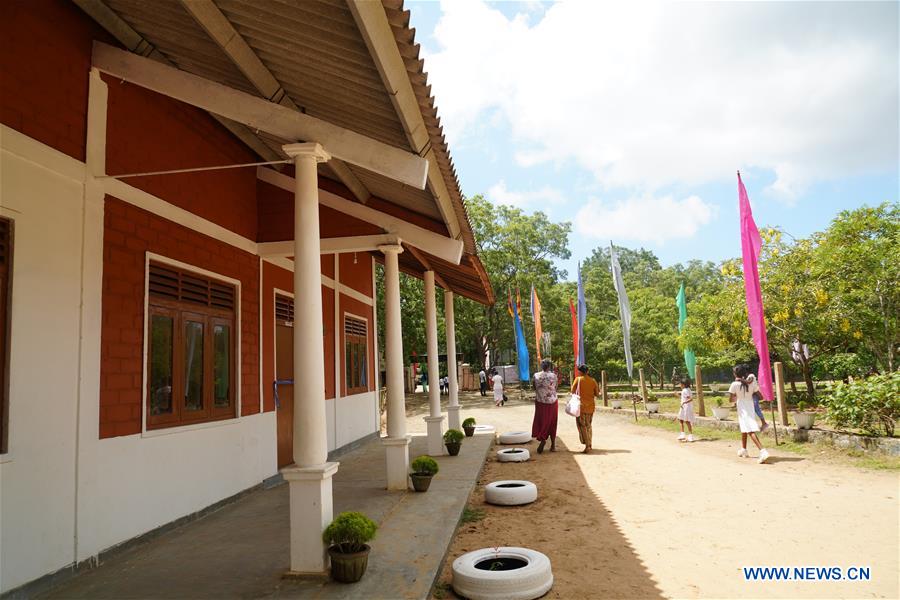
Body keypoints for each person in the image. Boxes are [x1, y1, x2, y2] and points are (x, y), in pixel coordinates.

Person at [730, 364, 769, 464]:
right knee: (745, 427)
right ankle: (744, 449)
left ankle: (763, 451)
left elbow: (731, 399)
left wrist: (736, 395)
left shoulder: (734, 384)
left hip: (742, 408)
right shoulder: (751, 383)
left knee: (750, 430)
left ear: (735, 374)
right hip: (750, 406)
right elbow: (760, 396)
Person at [531, 359, 559, 453]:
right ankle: (553, 445)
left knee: (541, 421)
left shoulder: (536, 375)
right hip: (553, 402)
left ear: (541, 366)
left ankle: (542, 439)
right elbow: (556, 387)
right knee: (552, 422)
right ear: (549, 367)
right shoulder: (554, 376)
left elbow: (534, 387)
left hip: (540, 402)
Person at [571, 364, 599, 453]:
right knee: (589, 425)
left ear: (580, 371)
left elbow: (572, 391)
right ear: (587, 371)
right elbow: (597, 394)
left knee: (582, 426)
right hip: (590, 407)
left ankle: (587, 445)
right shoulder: (593, 381)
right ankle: (590, 444)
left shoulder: (578, 379)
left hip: (581, 407)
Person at [677, 377, 695, 443]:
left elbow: (690, 399)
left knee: (687, 421)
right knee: (681, 419)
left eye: (680, 384)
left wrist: (684, 403)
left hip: (686, 408)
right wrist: (678, 396)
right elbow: (684, 397)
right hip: (684, 407)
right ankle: (682, 434)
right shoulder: (688, 389)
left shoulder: (685, 390)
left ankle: (690, 436)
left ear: (683, 384)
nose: (680, 385)